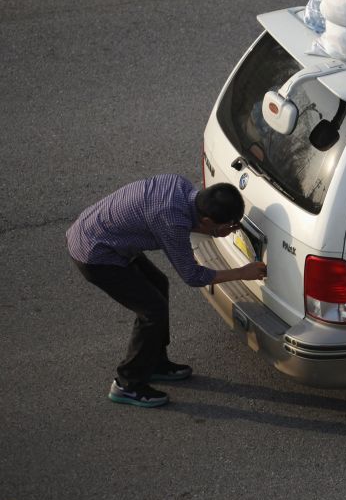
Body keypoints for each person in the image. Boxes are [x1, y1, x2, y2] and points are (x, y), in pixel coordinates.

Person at [67, 174, 268, 408]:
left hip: (102, 234)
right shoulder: (172, 220)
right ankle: (127, 384)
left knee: (159, 284)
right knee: (152, 311)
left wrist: (218, 230)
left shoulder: (181, 188)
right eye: (227, 226)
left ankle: (153, 362)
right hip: (95, 254)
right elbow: (192, 276)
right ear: (206, 221)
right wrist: (241, 273)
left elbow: (190, 230)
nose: (231, 230)